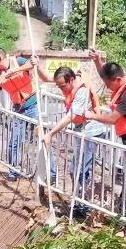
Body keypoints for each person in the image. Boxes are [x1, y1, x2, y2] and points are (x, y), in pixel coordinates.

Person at [84, 49, 126, 225]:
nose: (107, 88)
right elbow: (106, 74)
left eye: (108, 84)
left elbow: (112, 119)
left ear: (117, 80)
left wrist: (92, 116)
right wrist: (98, 61)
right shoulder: (124, 81)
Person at [0, 48, 53, 182]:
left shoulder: (18, 61)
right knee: (14, 142)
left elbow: (32, 64)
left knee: (42, 139)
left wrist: (15, 70)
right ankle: (13, 171)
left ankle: (52, 172)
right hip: (18, 109)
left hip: (33, 107)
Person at [39, 65, 109, 218]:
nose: (61, 89)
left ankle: (83, 205)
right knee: (76, 169)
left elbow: (71, 115)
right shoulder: (69, 82)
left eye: (63, 86)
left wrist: (51, 133)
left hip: (91, 133)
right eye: (58, 86)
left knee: (80, 170)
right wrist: (36, 65)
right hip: (81, 130)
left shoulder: (82, 91)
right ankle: (79, 202)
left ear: (71, 80)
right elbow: (45, 78)